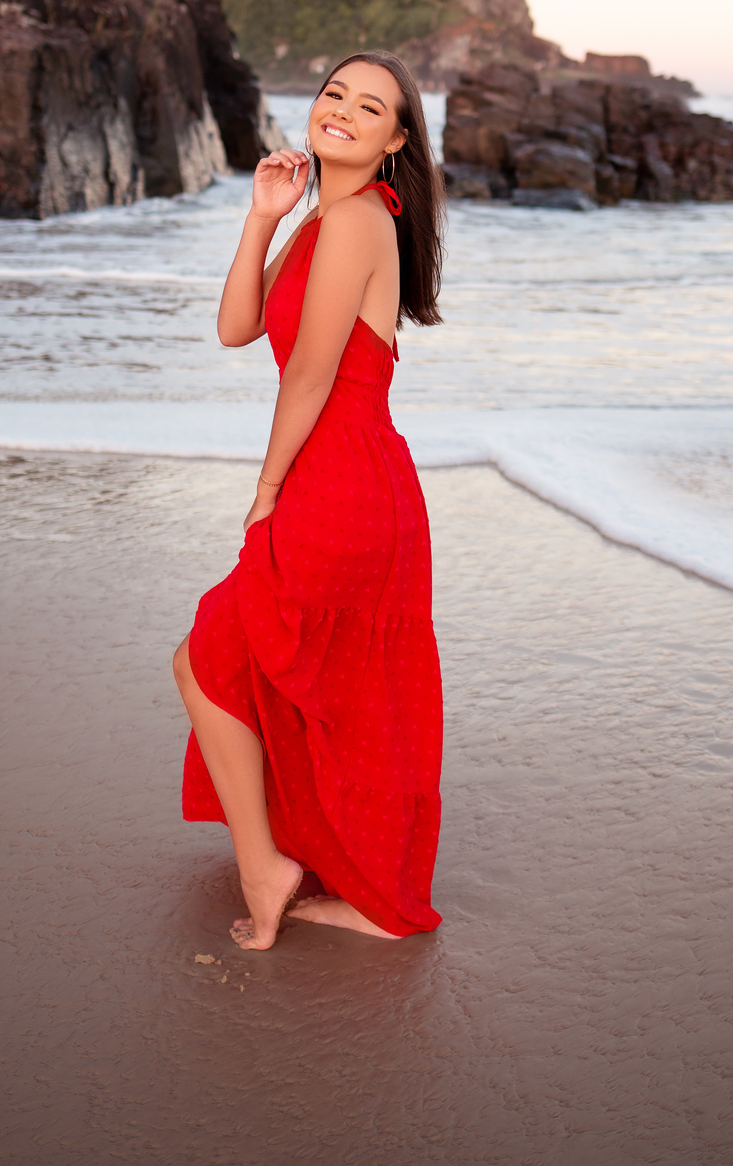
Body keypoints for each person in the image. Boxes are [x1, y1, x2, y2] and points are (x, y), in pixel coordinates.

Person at [173, 50, 446, 950]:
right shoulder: (322, 220)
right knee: (267, 670)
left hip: (343, 482)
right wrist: (261, 217)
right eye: (335, 94)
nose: (343, 112)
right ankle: (324, 875)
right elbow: (236, 328)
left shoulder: (363, 222)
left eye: (371, 108)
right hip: (345, 477)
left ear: (397, 140)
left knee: (210, 657)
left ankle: (271, 867)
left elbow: (314, 378)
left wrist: (265, 492)